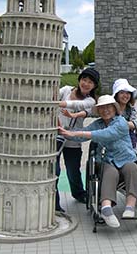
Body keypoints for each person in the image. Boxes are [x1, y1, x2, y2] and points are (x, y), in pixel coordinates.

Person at [58, 95, 137, 228]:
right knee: (110, 172)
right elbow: (82, 133)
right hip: (107, 160)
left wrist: (77, 134)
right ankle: (106, 209)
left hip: (126, 158)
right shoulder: (98, 124)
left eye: (108, 107)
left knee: (132, 168)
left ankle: (130, 206)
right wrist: (66, 132)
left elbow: (106, 134)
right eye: (102, 108)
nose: (105, 110)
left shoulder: (121, 122)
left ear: (115, 109)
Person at [56, 67, 99, 211]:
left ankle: (79, 193)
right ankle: (54, 202)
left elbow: (76, 105)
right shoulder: (66, 90)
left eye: (90, 82)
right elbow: (53, 95)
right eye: (84, 79)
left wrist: (59, 104)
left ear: (94, 86)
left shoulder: (90, 101)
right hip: (55, 135)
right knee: (53, 170)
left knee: (73, 170)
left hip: (73, 138)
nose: (86, 84)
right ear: (79, 79)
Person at [112, 78, 137, 148]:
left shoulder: (132, 109)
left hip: (128, 137)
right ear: (116, 95)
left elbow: (134, 123)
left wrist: (117, 124)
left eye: (127, 93)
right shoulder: (110, 108)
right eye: (122, 93)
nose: (125, 95)